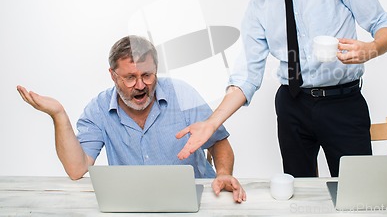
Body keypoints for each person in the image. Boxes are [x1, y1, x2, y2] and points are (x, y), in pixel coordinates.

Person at [177, 0, 387, 178]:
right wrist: (212, 123)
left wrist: (370, 49)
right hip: (292, 106)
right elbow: (247, 76)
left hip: (343, 103)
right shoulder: (257, 9)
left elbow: (386, 26)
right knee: (299, 193)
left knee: (358, 190)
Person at [17, 35, 246, 203]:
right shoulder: (98, 110)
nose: (140, 86)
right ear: (113, 76)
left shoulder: (182, 94)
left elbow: (218, 142)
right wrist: (58, 115)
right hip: (135, 204)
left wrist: (224, 174)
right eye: (129, 78)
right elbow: (76, 169)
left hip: (198, 199)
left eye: (147, 75)